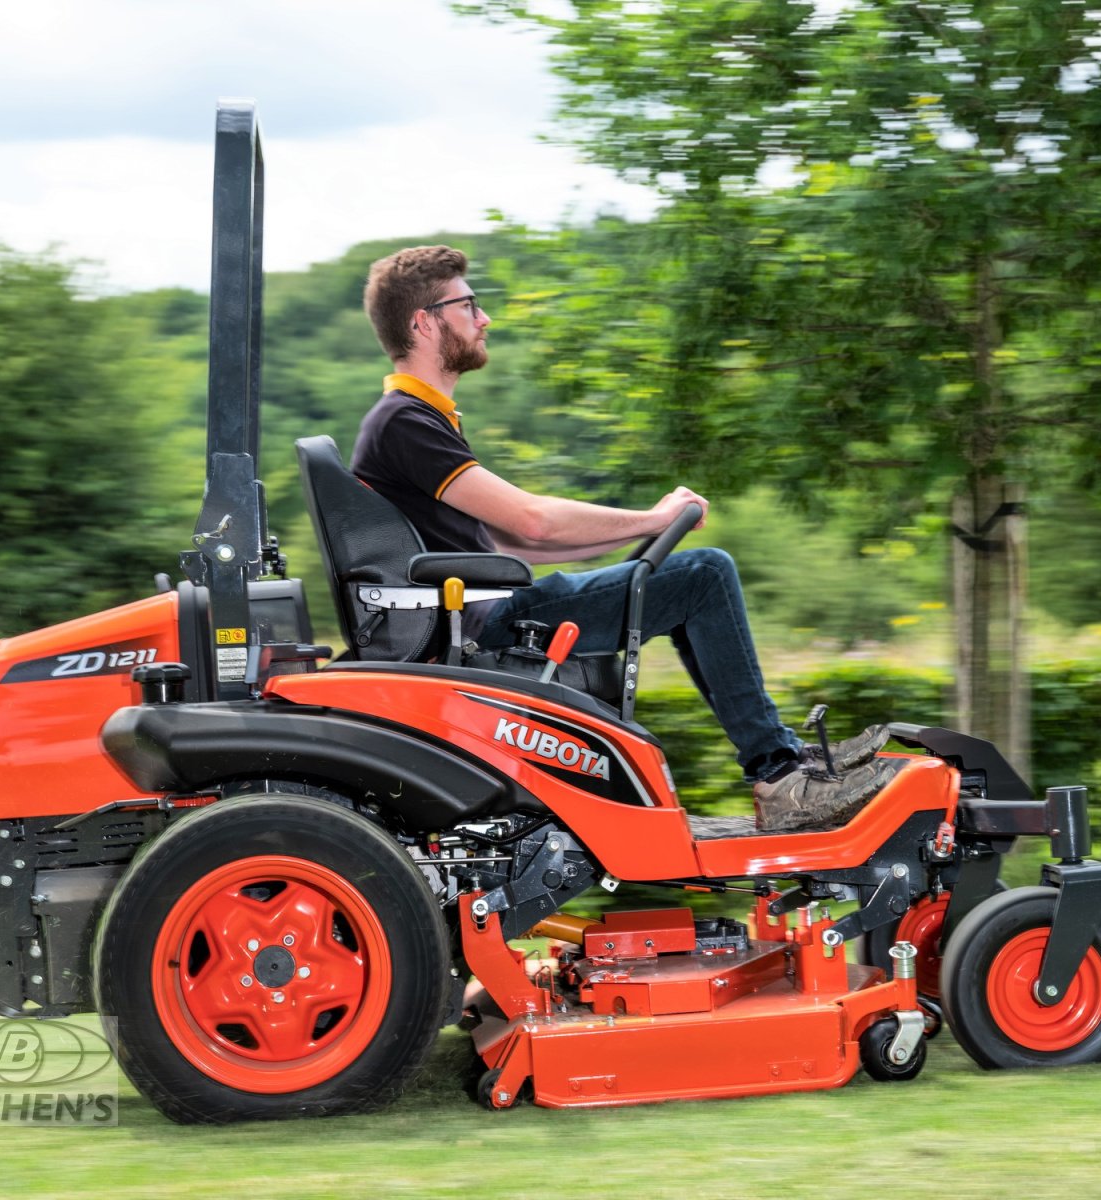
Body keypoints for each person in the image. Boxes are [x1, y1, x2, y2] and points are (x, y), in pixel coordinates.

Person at [351, 245, 898, 831]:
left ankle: (783, 762)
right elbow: (532, 521)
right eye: (469, 305)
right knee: (704, 576)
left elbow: (515, 544)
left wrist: (627, 542)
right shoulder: (406, 421)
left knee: (682, 581)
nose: (485, 319)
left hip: (477, 612)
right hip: (482, 627)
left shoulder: (417, 419)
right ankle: (781, 776)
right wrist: (649, 518)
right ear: (424, 322)